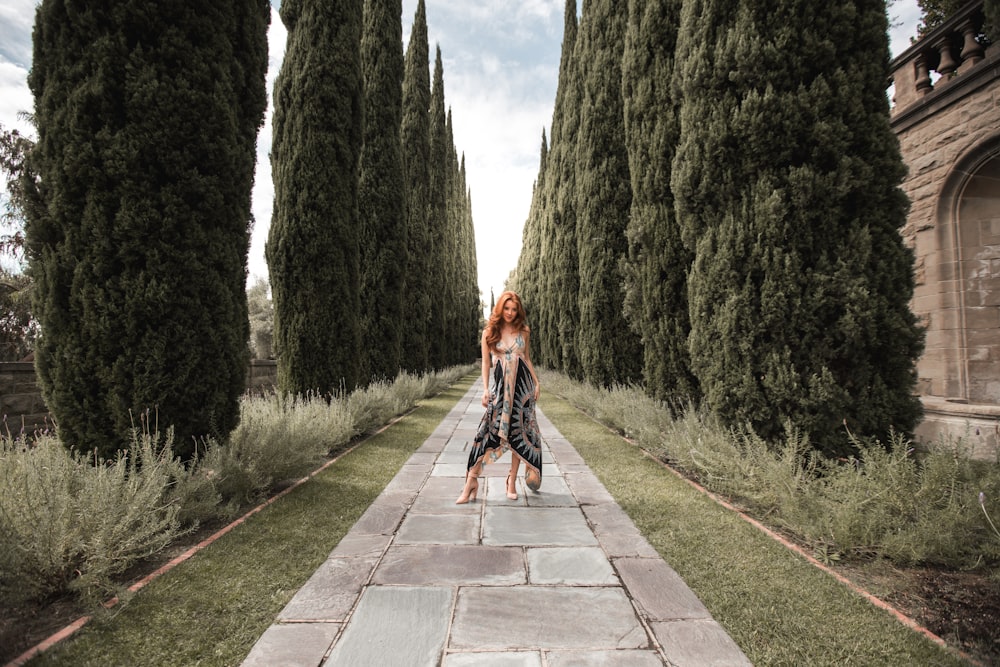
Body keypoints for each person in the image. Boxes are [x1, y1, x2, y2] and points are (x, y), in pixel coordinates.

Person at [456, 290, 543, 504]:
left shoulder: (524, 331)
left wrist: (537, 382)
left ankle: (511, 481)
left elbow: (526, 359)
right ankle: (471, 481)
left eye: (514, 309)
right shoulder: (489, 332)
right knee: (487, 433)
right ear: (500, 308)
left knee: (520, 432)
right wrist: (486, 389)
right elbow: (486, 363)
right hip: (500, 390)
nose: (510, 313)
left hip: (522, 391)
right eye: (506, 308)